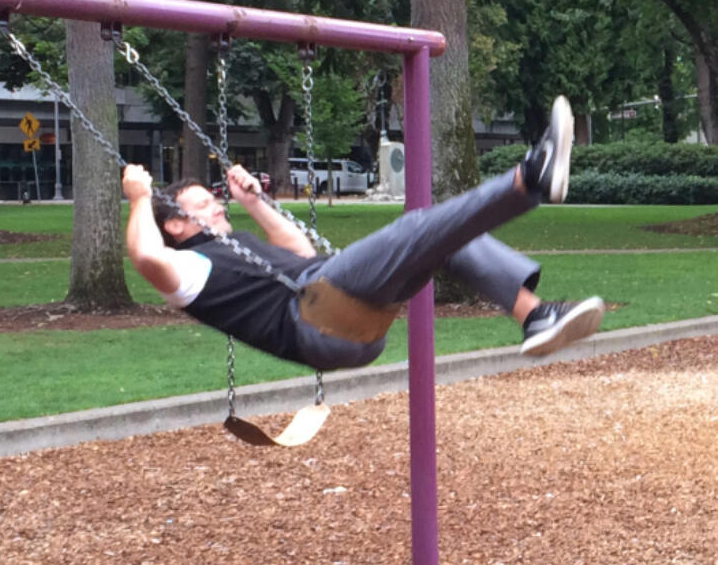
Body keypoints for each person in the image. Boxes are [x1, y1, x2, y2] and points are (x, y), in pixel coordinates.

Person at [122, 96, 605, 371]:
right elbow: (146, 257)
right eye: (203, 205)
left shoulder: (230, 245)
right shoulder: (187, 269)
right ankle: (528, 179)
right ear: (177, 225)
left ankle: (536, 317)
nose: (217, 205)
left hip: (344, 321)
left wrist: (256, 204)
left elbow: (299, 251)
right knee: (416, 227)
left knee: (447, 241)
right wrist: (140, 196)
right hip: (318, 317)